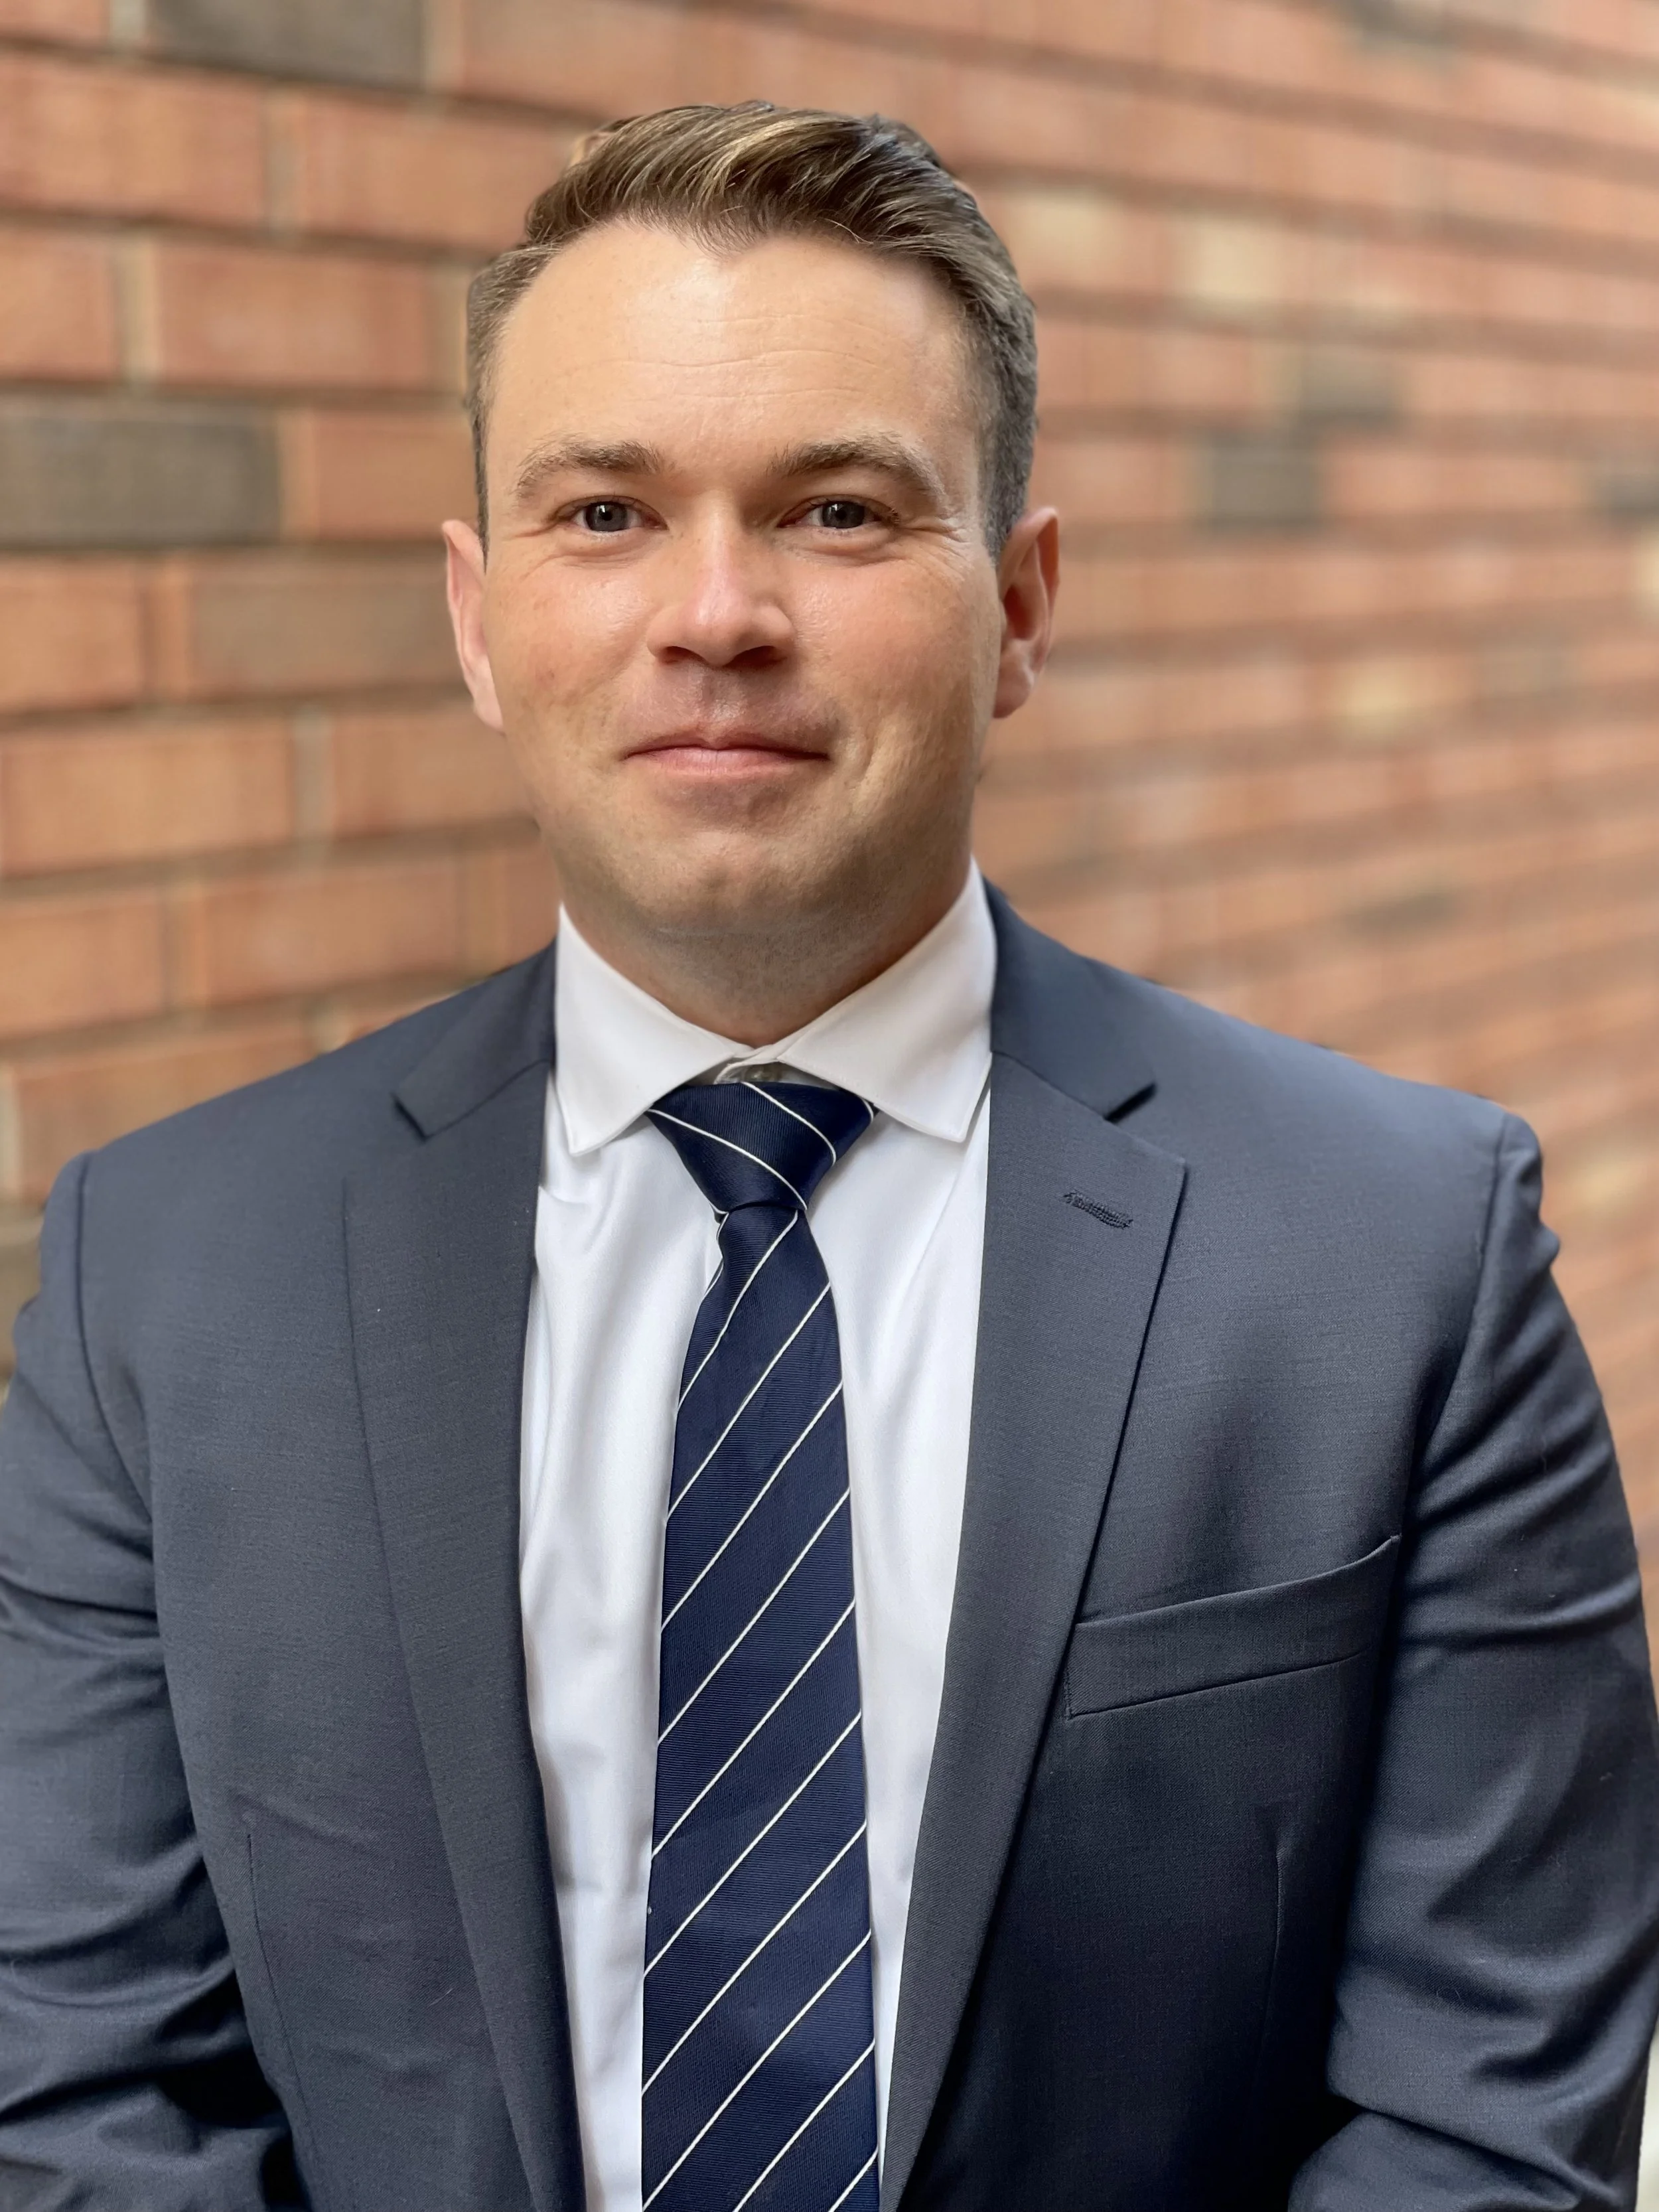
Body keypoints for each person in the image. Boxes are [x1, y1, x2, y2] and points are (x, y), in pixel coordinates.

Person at [1, 100, 1655, 2212]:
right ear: (478, 618)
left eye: (839, 512)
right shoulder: (162, 1275)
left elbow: (1483, 2119)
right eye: (605, 511)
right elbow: (89, 2087)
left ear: (1019, 606)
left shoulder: (1401, 1258)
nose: (716, 611)